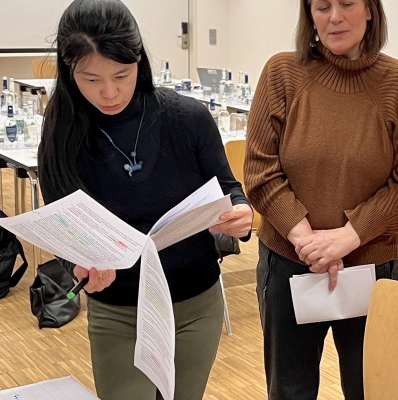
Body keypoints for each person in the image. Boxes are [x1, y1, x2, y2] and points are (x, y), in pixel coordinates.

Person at [37, 0, 253, 399]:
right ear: (69, 73)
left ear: (139, 60)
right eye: (90, 79)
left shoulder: (186, 118)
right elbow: (63, 229)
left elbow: (229, 189)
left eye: (122, 75)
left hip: (194, 304)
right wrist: (79, 264)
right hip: (118, 310)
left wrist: (241, 212)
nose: (109, 92)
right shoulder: (62, 137)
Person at [244, 0, 398, 398]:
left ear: (369, 9)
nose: (334, 17)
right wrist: (308, 241)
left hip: (371, 269)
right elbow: (260, 171)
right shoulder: (282, 72)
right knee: (289, 391)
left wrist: (346, 238)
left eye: (347, 3)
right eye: (322, 6)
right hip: (288, 264)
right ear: (309, 13)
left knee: (371, 390)